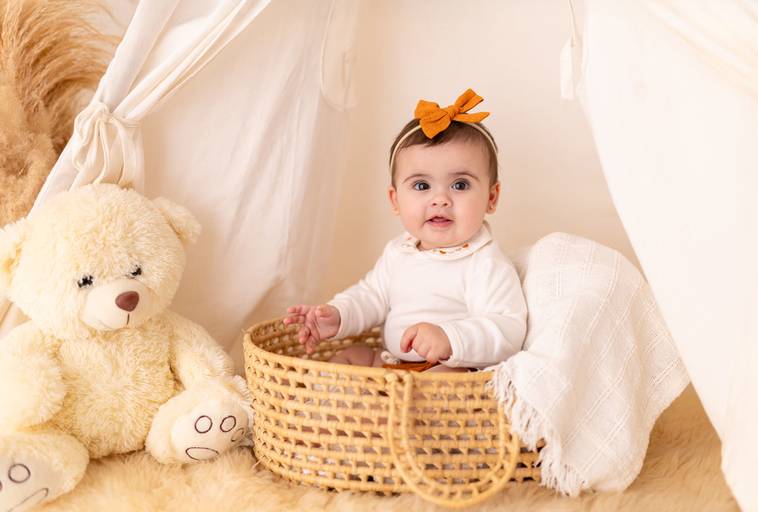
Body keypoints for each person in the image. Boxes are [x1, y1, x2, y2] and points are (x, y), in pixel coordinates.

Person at [285, 89, 527, 372]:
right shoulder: (398, 252)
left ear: (491, 198)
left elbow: (507, 330)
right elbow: (370, 296)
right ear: (395, 200)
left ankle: (395, 399)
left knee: (446, 378)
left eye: (460, 185)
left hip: (447, 368)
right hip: (393, 362)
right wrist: (338, 316)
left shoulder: (485, 262)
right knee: (353, 356)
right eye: (422, 186)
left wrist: (450, 339)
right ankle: (326, 396)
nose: (440, 199)